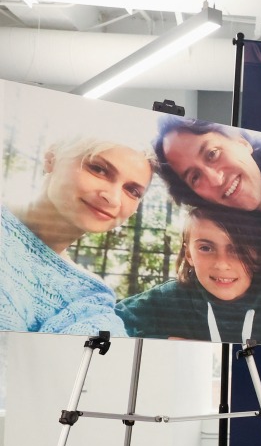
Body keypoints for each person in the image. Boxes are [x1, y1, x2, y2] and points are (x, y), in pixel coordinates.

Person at [153, 117, 261, 344]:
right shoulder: (230, 229)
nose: (216, 178)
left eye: (212, 154)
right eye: (195, 177)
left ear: (242, 142)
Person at [0, 136, 153, 336]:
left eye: (132, 190)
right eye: (98, 169)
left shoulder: (90, 297)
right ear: (51, 158)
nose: (113, 198)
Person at [116, 207, 261, 343]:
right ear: (188, 254)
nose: (221, 263)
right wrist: (162, 342)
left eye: (238, 249)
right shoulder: (169, 298)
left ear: (259, 254)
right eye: (205, 248)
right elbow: (102, 323)